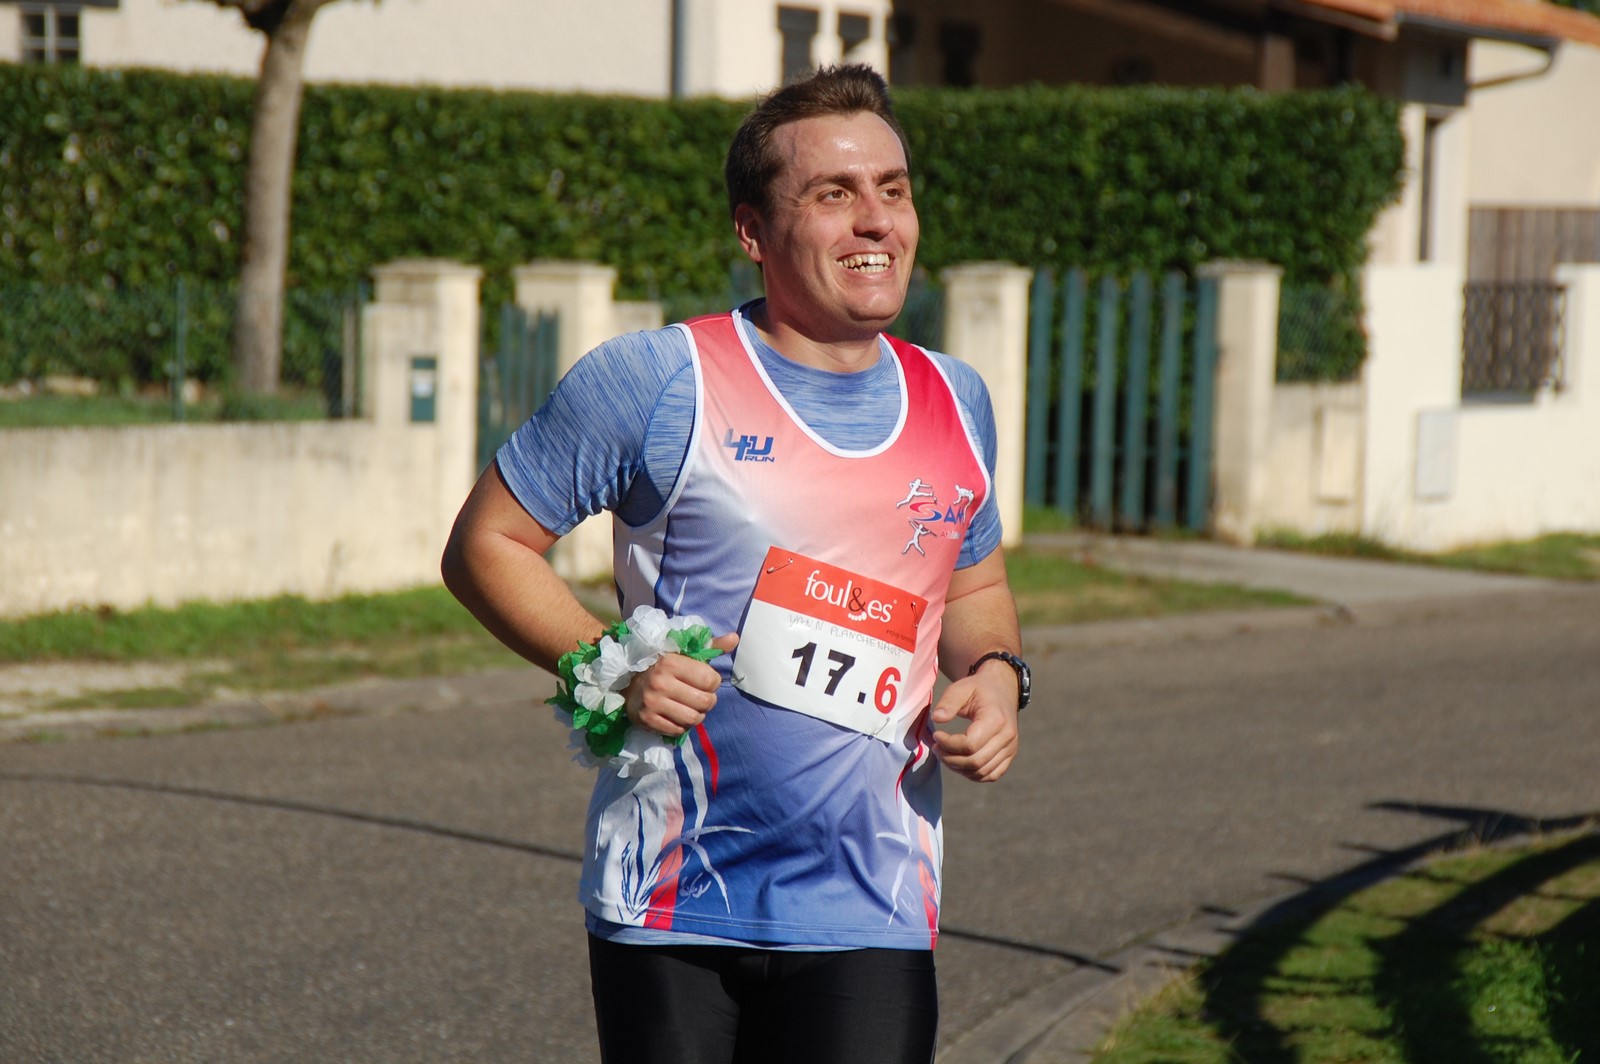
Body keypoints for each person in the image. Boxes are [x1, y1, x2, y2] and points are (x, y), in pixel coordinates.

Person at [441, 63, 1029, 1064]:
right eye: (833, 193)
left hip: (875, 899)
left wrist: (998, 674)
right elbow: (485, 545)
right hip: (673, 895)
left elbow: (973, 583)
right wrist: (607, 665)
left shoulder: (954, 397)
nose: (876, 220)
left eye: (892, 189)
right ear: (753, 231)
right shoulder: (658, 381)